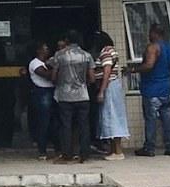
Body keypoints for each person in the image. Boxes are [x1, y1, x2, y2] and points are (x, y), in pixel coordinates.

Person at [132, 23, 170, 157]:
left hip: (152, 90)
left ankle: (149, 148)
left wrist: (133, 69)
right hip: (166, 90)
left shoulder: (153, 47)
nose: (148, 35)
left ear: (155, 33)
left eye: (150, 32)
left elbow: (149, 65)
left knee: (150, 119)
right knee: (167, 119)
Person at [49, 31, 95, 164]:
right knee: (84, 125)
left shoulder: (60, 55)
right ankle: (84, 154)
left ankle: (67, 154)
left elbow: (53, 77)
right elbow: (92, 78)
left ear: (67, 40)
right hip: (83, 95)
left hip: (65, 96)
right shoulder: (87, 55)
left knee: (66, 125)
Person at [92, 31, 129, 160]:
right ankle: (114, 150)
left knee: (112, 116)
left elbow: (107, 71)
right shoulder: (110, 50)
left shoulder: (106, 52)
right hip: (112, 85)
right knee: (111, 116)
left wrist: (102, 90)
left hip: (109, 86)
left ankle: (118, 151)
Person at [28, 42, 57, 160]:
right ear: (39, 50)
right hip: (42, 92)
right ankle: (42, 150)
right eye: (45, 49)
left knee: (54, 122)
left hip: (52, 91)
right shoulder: (35, 63)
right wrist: (57, 69)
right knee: (43, 122)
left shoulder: (48, 62)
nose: (47, 51)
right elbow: (46, 75)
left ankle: (57, 148)